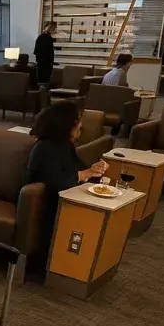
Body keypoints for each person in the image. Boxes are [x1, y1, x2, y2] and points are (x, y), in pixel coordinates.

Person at [26, 102, 109, 251]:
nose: (81, 125)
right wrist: (85, 174)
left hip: (64, 199)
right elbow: (57, 182)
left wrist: (95, 170)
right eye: (78, 120)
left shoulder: (64, 145)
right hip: (45, 205)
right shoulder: (44, 148)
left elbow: (79, 169)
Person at [34, 21, 57, 86]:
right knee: (43, 82)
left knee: (44, 81)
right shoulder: (44, 38)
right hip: (44, 64)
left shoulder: (47, 37)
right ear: (49, 28)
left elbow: (36, 52)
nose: (54, 29)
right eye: (54, 28)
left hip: (45, 64)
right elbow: (37, 51)